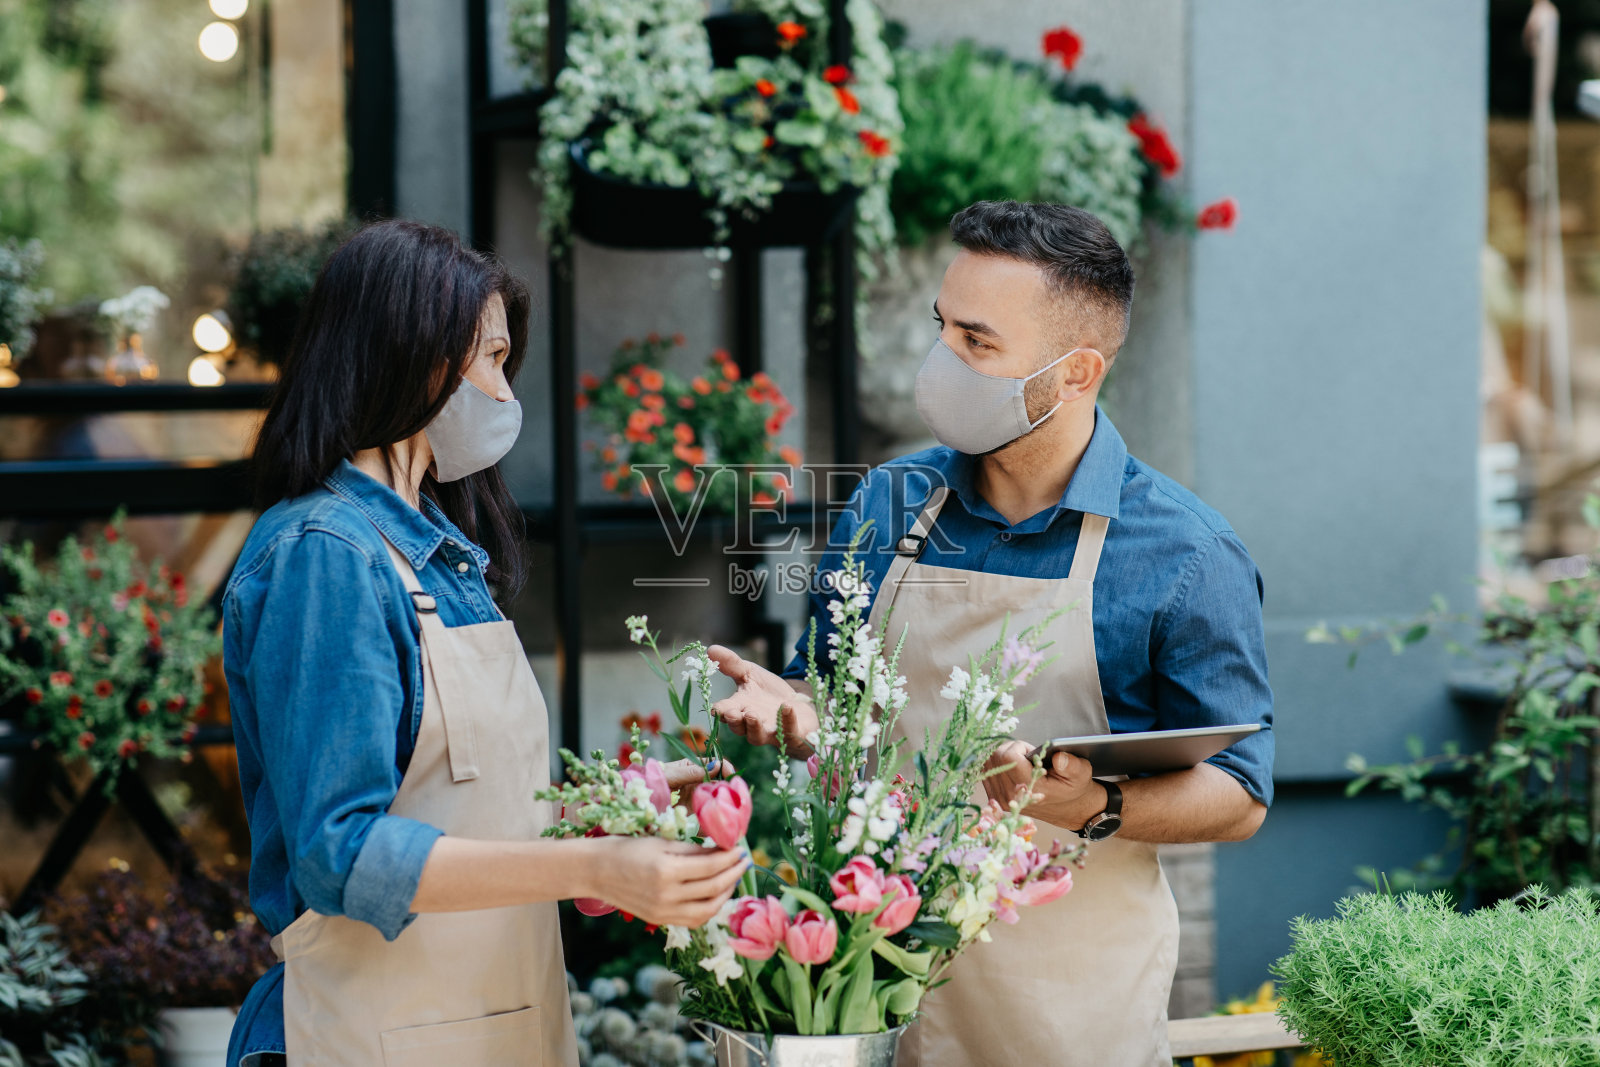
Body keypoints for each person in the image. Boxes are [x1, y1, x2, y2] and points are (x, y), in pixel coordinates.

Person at [709, 200, 1273, 1065]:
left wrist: (1093, 804)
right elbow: (827, 689)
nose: (942, 363)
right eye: (945, 329)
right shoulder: (887, 502)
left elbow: (1239, 792)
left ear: (1075, 372)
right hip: (874, 992)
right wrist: (789, 706)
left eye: (979, 343)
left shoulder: (1186, 555)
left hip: (1073, 1016)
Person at [223, 219, 748, 1067]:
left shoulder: (437, 552)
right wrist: (593, 865)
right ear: (414, 354)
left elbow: (452, 811)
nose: (505, 391)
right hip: (376, 1037)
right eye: (492, 358)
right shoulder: (327, 556)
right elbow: (340, 853)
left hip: (497, 1024)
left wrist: (610, 814)